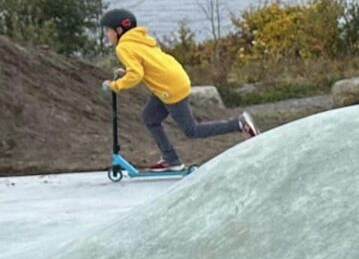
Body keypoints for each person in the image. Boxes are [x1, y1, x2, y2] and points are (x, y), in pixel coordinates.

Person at [100, 9, 258, 171]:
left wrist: (115, 85)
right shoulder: (139, 40)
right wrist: (125, 73)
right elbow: (146, 63)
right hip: (172, 79)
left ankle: (239, 123)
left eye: (108, 30)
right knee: (149, 117)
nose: (106, 35)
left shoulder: (123, 47)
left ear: (119, 30)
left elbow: (137, 74)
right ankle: (171, 159)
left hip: (169, 87)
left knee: (191, 130)